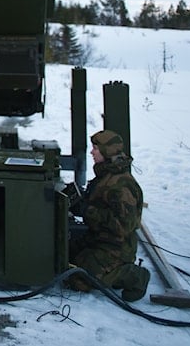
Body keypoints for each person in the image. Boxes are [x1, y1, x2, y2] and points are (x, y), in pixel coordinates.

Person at [67, 129, 150, 301]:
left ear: (107, 152)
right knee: (63, 256)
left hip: (116, 247)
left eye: (96, 149)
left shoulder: (121, 185)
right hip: (97, 238)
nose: (92, 152)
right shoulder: (106, 175)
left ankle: (134, 276)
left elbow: (123, 226)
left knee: (79, 280)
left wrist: (87, 211)